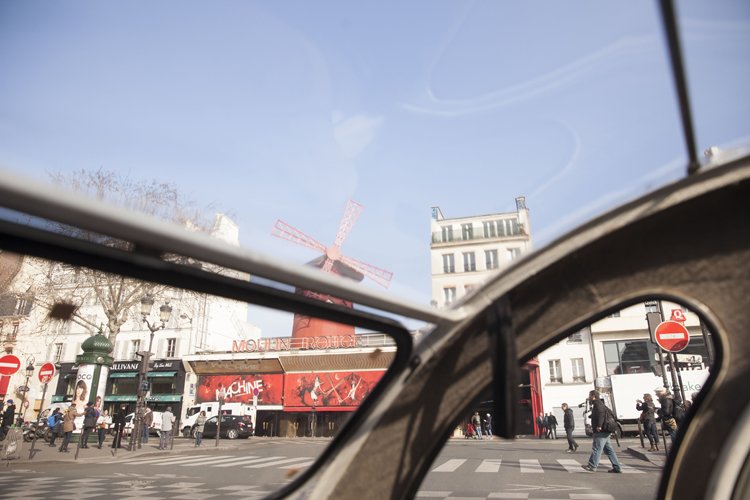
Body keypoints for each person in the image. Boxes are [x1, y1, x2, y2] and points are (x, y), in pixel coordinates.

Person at [582, 390, 622, 473]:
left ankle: (592, 466)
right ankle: (617, 467)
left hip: (601, 430)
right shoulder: (600, 404)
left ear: (593, 396)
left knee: (597, 448)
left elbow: (601, 415)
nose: (589, 397)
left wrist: (599, 426)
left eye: (590, 396)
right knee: (609, 450)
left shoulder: (598, 404)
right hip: (605, 430)